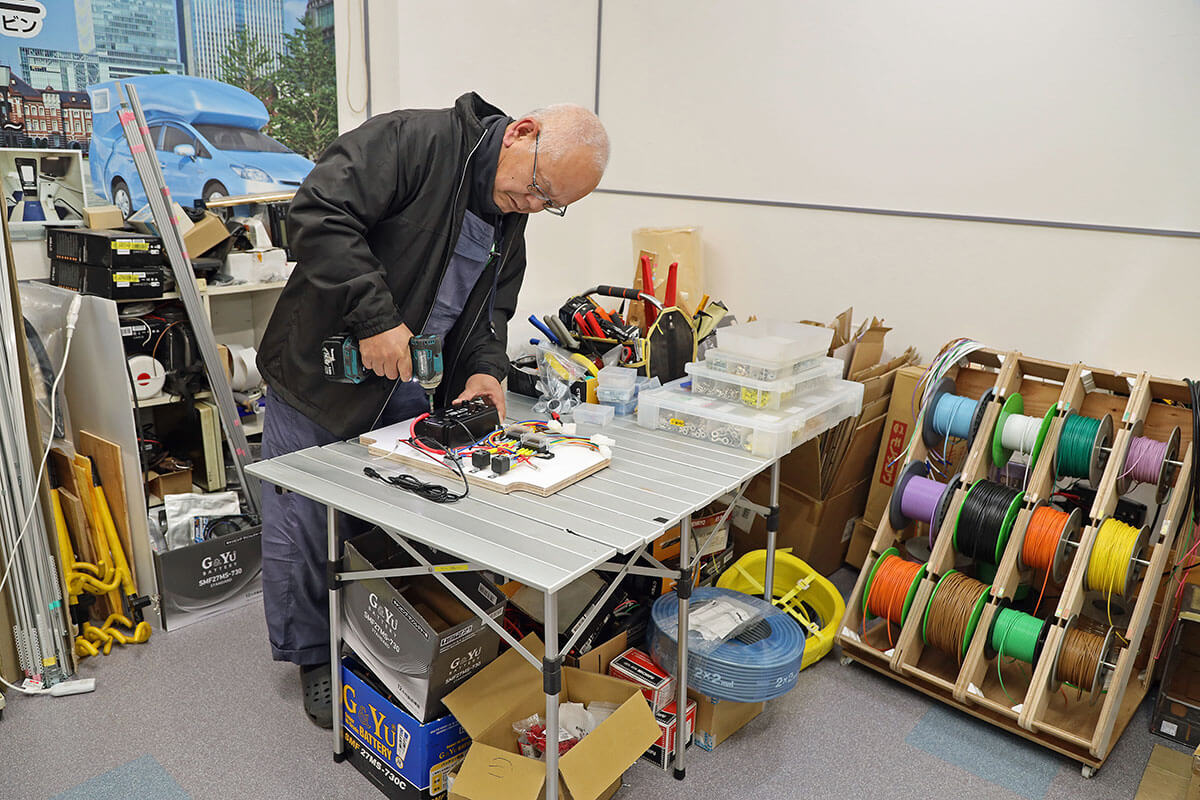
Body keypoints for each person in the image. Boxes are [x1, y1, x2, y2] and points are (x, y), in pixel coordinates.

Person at [255, 93, 609, 727]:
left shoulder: (507, 217)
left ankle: (378, 646)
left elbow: (488, 312)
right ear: (521, 133)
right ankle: (313, 655)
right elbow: (315, 214)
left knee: (389, 525)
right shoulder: (412, 143)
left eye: (547, 204)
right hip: (323, 374)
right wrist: (375, 318)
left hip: (408, 387)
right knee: (305, 526)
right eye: (535, 188)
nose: (531, 207)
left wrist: (484, 371)